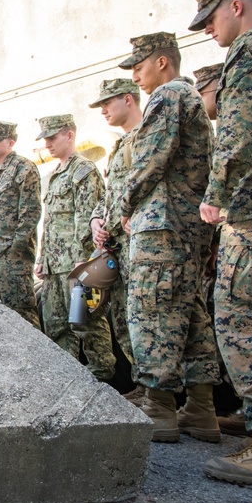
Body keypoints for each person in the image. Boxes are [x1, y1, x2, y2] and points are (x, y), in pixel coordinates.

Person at [118, 31, 218, 443]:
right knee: (189, 312)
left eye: (139, 67)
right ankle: (200, 408)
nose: (136, 78)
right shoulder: (191, 99)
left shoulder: (169, 96)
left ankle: (159, 408)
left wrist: (122, 205)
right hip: (185, 227)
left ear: (162, 61)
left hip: (161, 224)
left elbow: (148, 161)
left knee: (152, 311)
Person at [191, 0, 252, 483]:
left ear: (236, 8)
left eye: (210, 18)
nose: (206, 30)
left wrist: (216, 198)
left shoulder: (251, 50)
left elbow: (240, 133)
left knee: (242, 322)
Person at [34, 114, 114, 381]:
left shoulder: (84, 170)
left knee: (87, 321)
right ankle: (64, 377)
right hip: (55, 265)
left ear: (70, 135)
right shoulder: (56, 173)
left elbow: (87, 217)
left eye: (53, 137)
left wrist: (86, 262)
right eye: (45, 139)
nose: (48, 144)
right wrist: (43, 259)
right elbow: (52, 221)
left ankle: (103, 375)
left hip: (76, 264)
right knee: (56, 323)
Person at [87, 79, 143, 400]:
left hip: (138, 249)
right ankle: (140, 383)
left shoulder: (146, 138)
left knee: (141, 319)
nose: (103, 110)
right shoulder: (120, 146)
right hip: (114, 252)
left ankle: (156, 391)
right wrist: (97, 220)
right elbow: (108, 197)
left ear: (128, 99)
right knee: (121, 319)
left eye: (108, 103)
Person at [0, 120, 41, 326]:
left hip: (11, 254)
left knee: (21, 311)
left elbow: (30, 212)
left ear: (10, 143)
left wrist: (16, 248)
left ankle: (36, 356)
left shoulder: (23, 168)